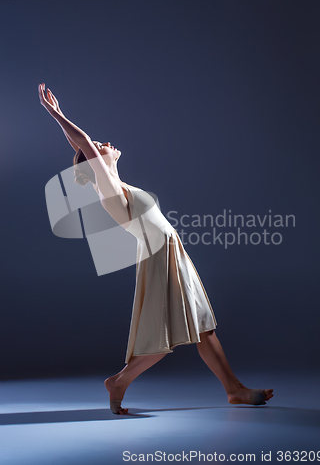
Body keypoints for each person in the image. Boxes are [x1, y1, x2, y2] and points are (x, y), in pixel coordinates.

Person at [39, 83, 274, 415]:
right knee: (163, 336)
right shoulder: (108, 192)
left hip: (172, 254)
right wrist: (57, 114)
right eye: (98, 148)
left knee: (202, 326)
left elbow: (85, 150)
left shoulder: (117, 185)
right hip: (159, 257)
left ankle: (234, 390)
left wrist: (71, 131)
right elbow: (86, 148)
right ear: (94, 165)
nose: (104, 144)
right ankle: (119, 382)